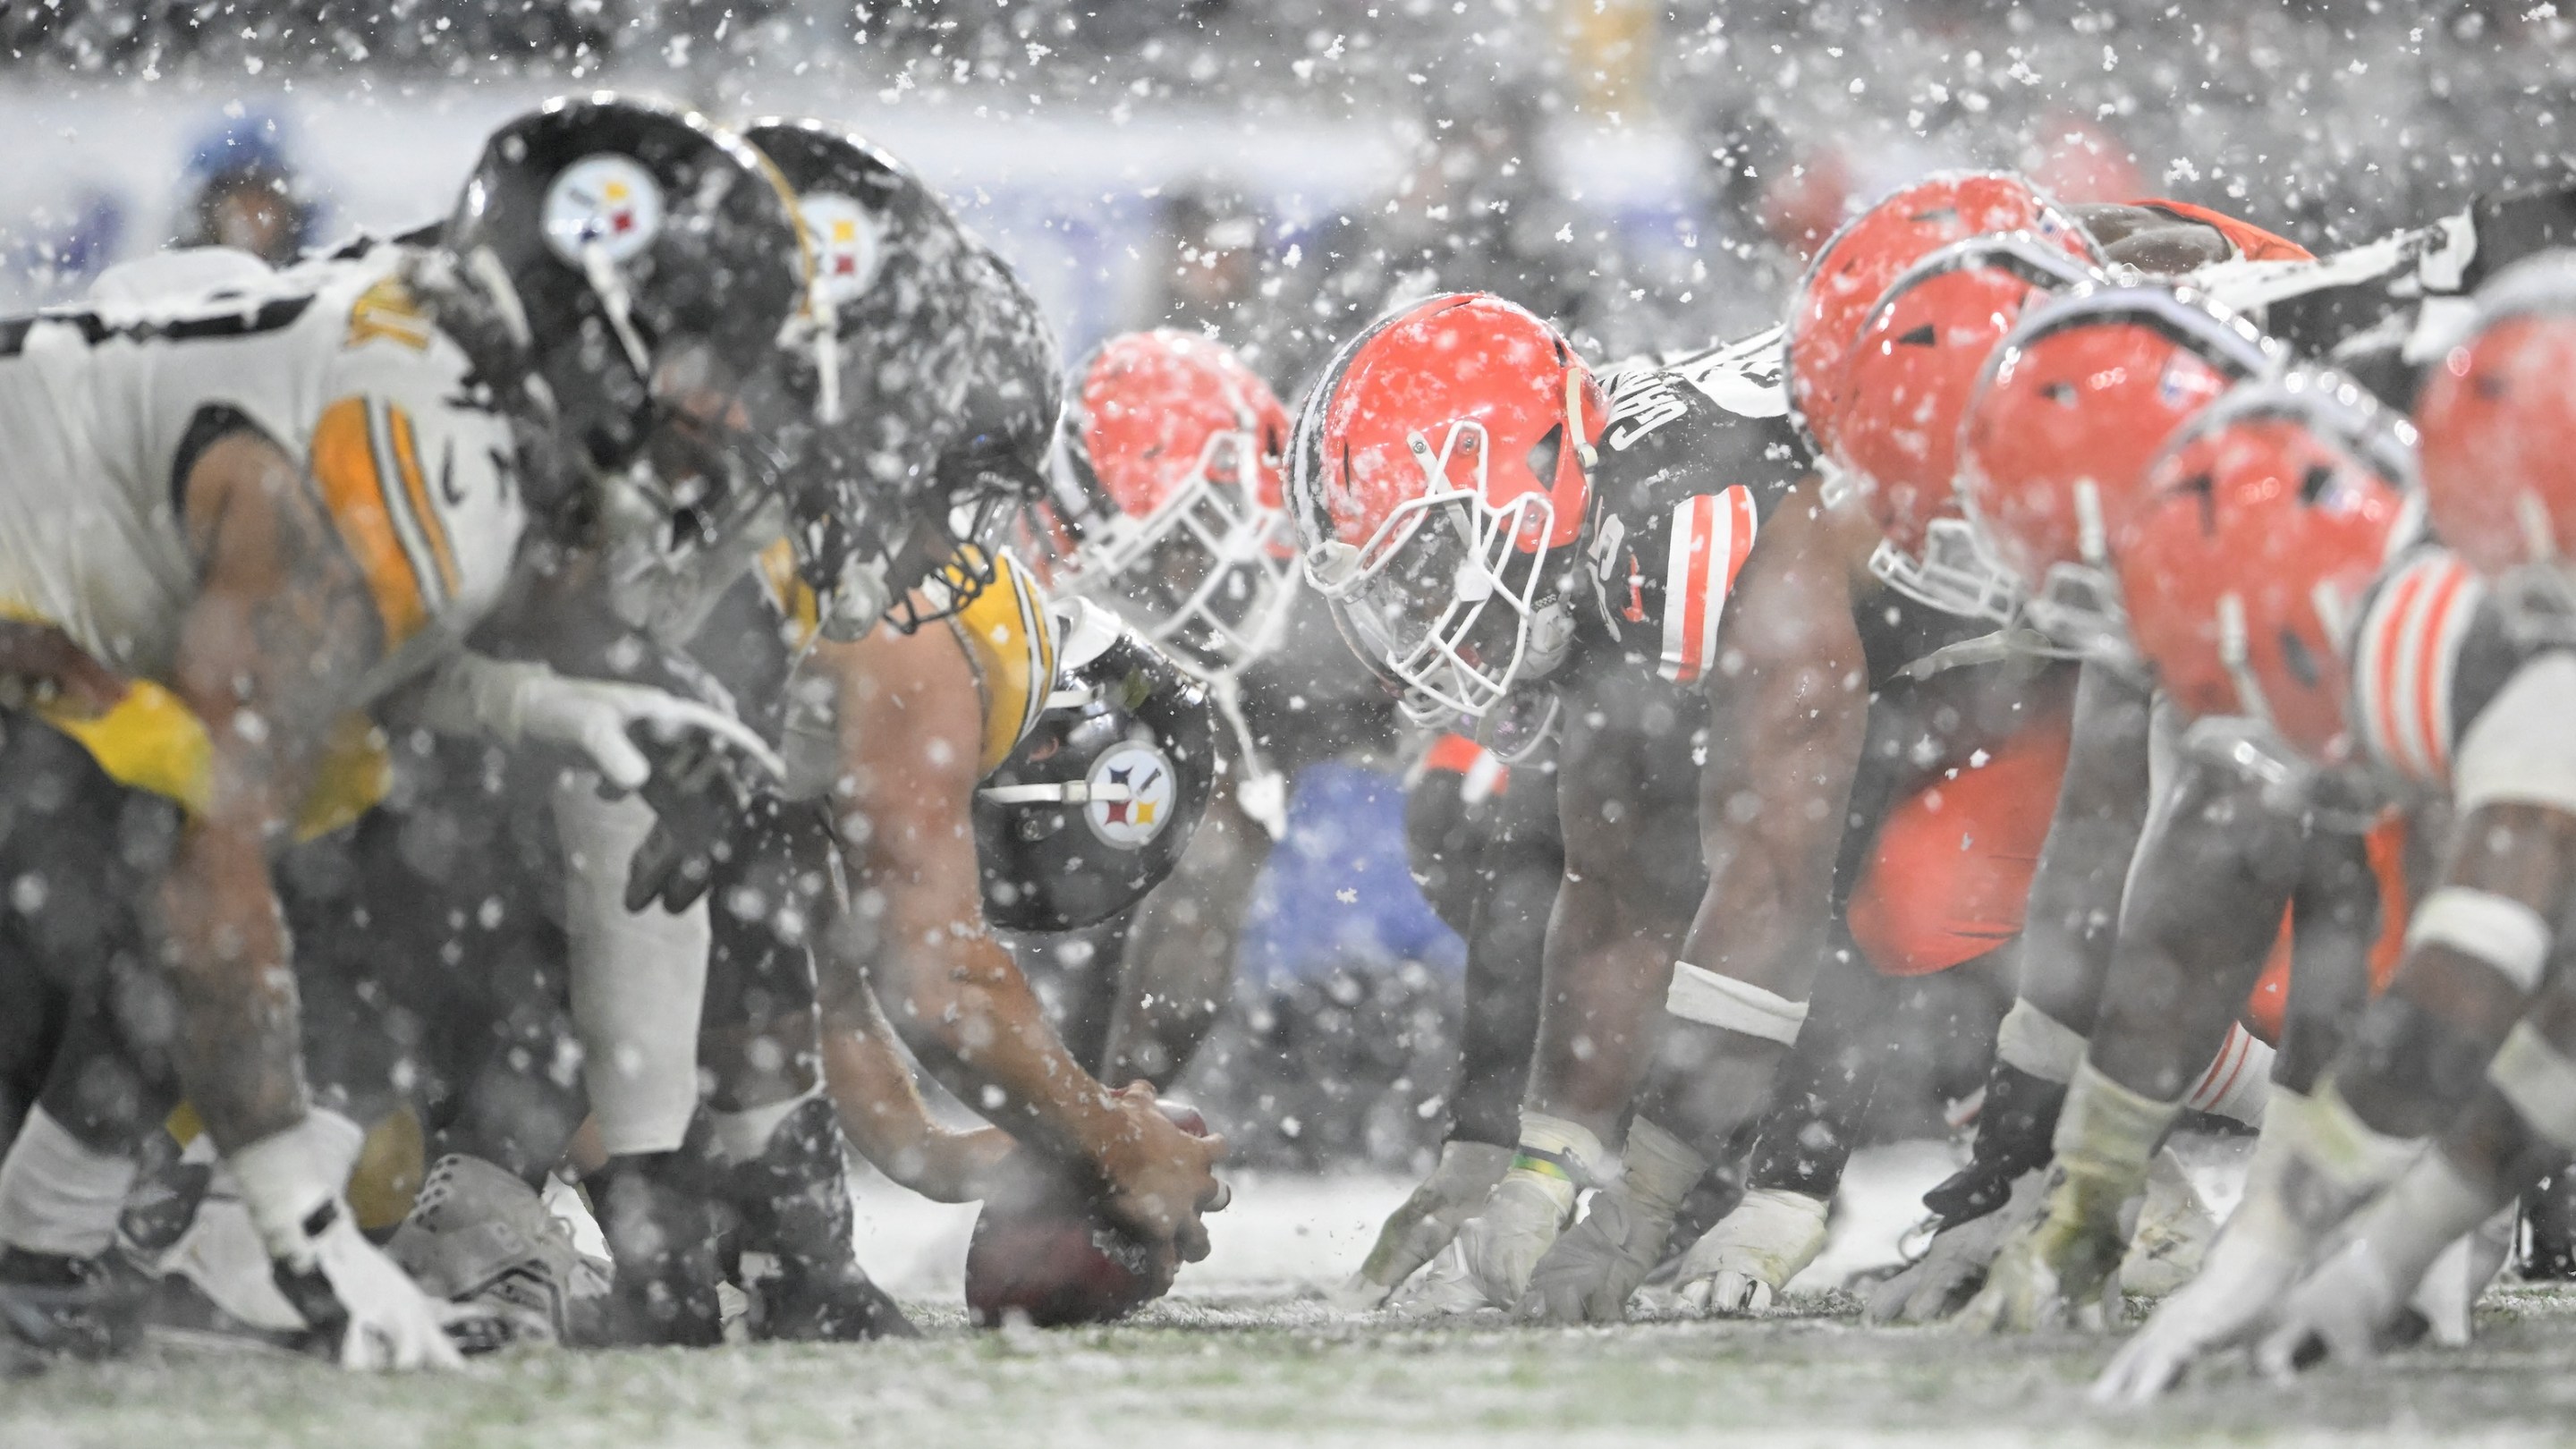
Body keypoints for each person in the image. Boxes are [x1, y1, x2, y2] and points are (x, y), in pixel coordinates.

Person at [0, 93, 811, 1368]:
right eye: (700, 348)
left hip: (36, 669)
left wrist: (546, 704)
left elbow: (310, 659)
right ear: (595, 313)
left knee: (359, 791)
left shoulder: (430, 373)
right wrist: (302, 1238)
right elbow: (222, 837)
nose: (716, 406)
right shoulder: (417, 444)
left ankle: (55, 1245)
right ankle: (174, 1244)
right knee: (313, 827)